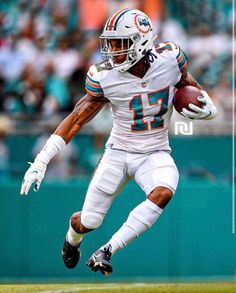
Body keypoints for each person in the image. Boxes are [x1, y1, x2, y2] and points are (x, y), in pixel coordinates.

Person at [20, 9, 217, 276]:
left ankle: (108, 250)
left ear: (141, 40)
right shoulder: (105, 76)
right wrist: (42, 160)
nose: (113, 51)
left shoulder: (170, 58)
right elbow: (77, 118)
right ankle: (72, 238)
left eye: (120, 44)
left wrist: (209, 105)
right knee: (88, 221)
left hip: (155, 150)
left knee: (164, 190)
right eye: (110, 43)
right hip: (118, 152)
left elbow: (188, 85)